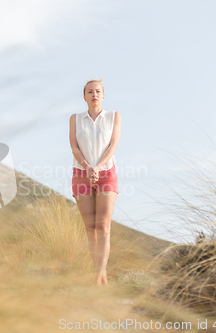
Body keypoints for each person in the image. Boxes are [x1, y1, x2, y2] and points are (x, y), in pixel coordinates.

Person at [69, 78, 121, 285]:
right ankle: (99, 275)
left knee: (103, 226)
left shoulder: (113, 117)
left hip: (106, 173)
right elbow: (74, 146)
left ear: (103, 95)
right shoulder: (75, 119)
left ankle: (99, 275)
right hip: (80, 173)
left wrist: (98, 167)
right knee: (90, 227)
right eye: (90, 92)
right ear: (84, 97)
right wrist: (87, 166)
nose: (94, 94)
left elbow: (113, 145)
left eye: (98, 91)